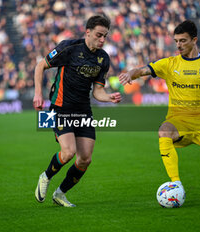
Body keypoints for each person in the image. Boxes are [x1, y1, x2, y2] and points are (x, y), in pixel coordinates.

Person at [119, 20, 200, 194]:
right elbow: (141, 70)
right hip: (179, 120)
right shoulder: (169, 64)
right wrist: (129, 74)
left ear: (194, 40)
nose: (178, 45)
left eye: (183, 40)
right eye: (176, 41)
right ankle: (176, 185)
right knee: (164, 131)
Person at [33, 15, 121, 207]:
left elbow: (97, 91)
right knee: (68, 152)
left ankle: (60, 194)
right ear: (87, 32)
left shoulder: (103, 58)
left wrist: (109, 97)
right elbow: (41, 65)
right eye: (99, 35)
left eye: (105, 36)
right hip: (59, 108)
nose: (102, 40)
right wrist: (38, 93)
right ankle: (46, 176)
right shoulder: (69, 47)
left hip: (84, 111)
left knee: (85, 159)